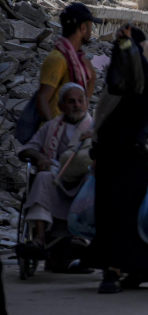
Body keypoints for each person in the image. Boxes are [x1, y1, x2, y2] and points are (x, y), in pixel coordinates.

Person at [86, 26, 148, 294]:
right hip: (119, 157)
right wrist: (96, 152)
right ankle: (114, 269)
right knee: (115, 213)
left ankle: (130, 268)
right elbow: (103, 117)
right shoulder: (126, 78)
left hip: (135, 158)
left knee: (128, 213)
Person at [18, 83, 92, 257]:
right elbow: (27, 149)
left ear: (86, 103)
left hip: (82, 181)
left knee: (92, 179)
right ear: (61, 106)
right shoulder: (50, 126)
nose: (77, 106)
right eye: (71, 102)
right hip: (55, 180)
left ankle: (78, 236)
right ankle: (39, 238)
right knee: (42, 177)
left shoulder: (95, 126)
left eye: (80, 101)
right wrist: (40, 157)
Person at [36, 2, 100, 121]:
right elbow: (42, 99)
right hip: (57, 134)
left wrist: (91, 78)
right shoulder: (58, 59)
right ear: (83, 28)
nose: (91, 32)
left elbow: (83, 101)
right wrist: (53, 132)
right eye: (90, 26)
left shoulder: (77, 59)